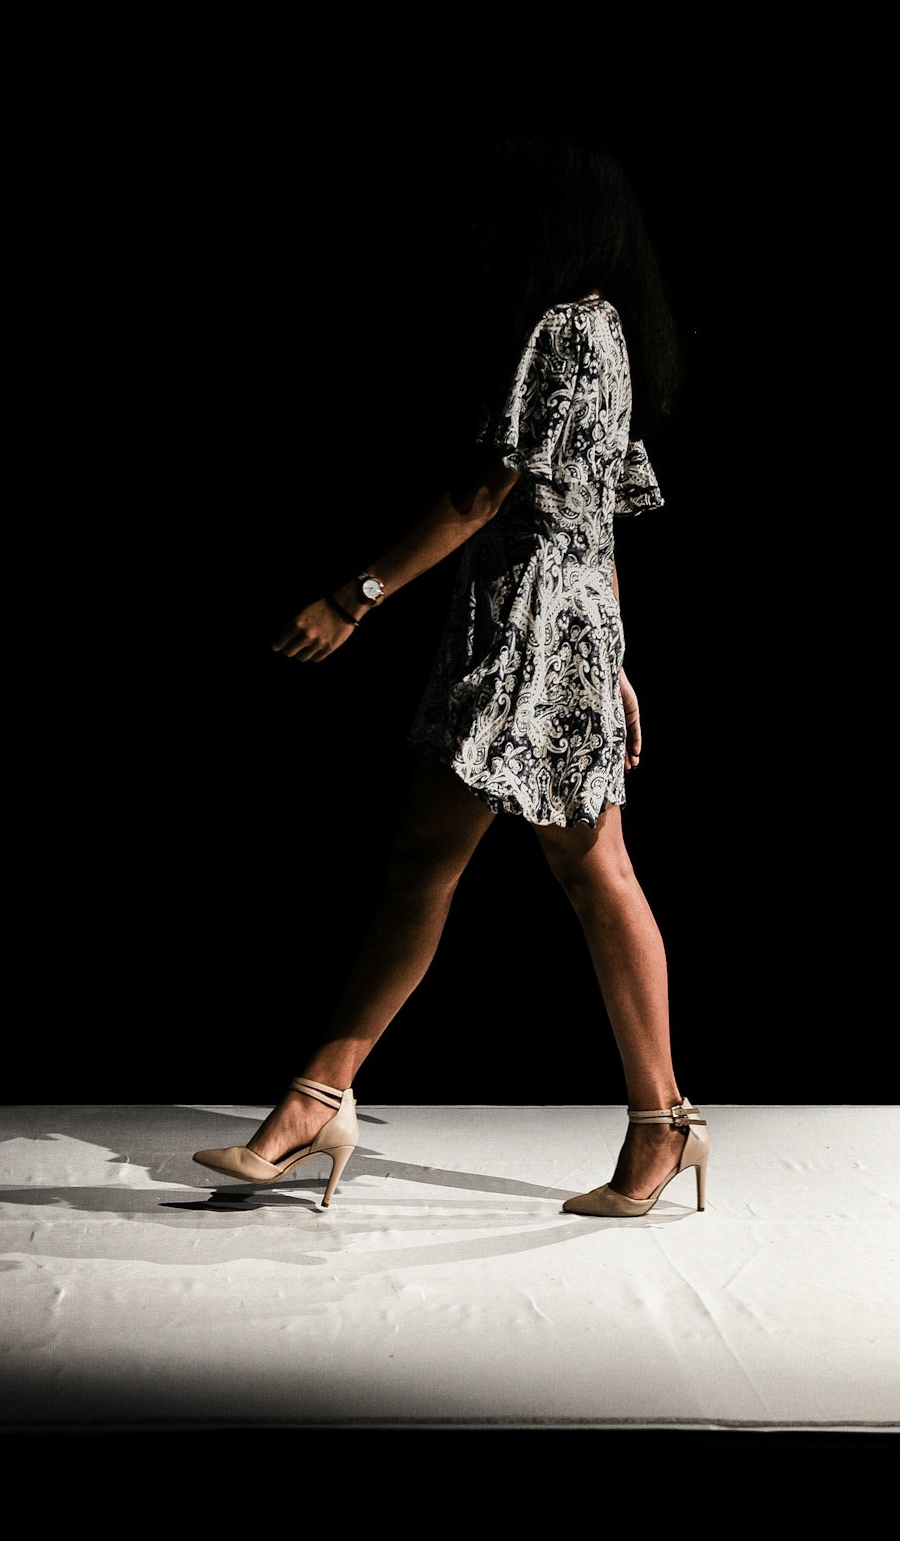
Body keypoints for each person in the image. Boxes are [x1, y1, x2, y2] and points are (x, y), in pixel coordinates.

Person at [193, 133, 709, 1217]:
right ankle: (659, 1123)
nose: (488, 228)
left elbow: (485, 495)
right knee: (560, 867)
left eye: (509, 211)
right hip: (549, 629)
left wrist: (353, 597)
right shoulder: (605, 332)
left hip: (525, 630)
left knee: (477, 864)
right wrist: (611, 658)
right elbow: (597, 521)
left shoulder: (564, 329)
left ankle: (316, 1100)